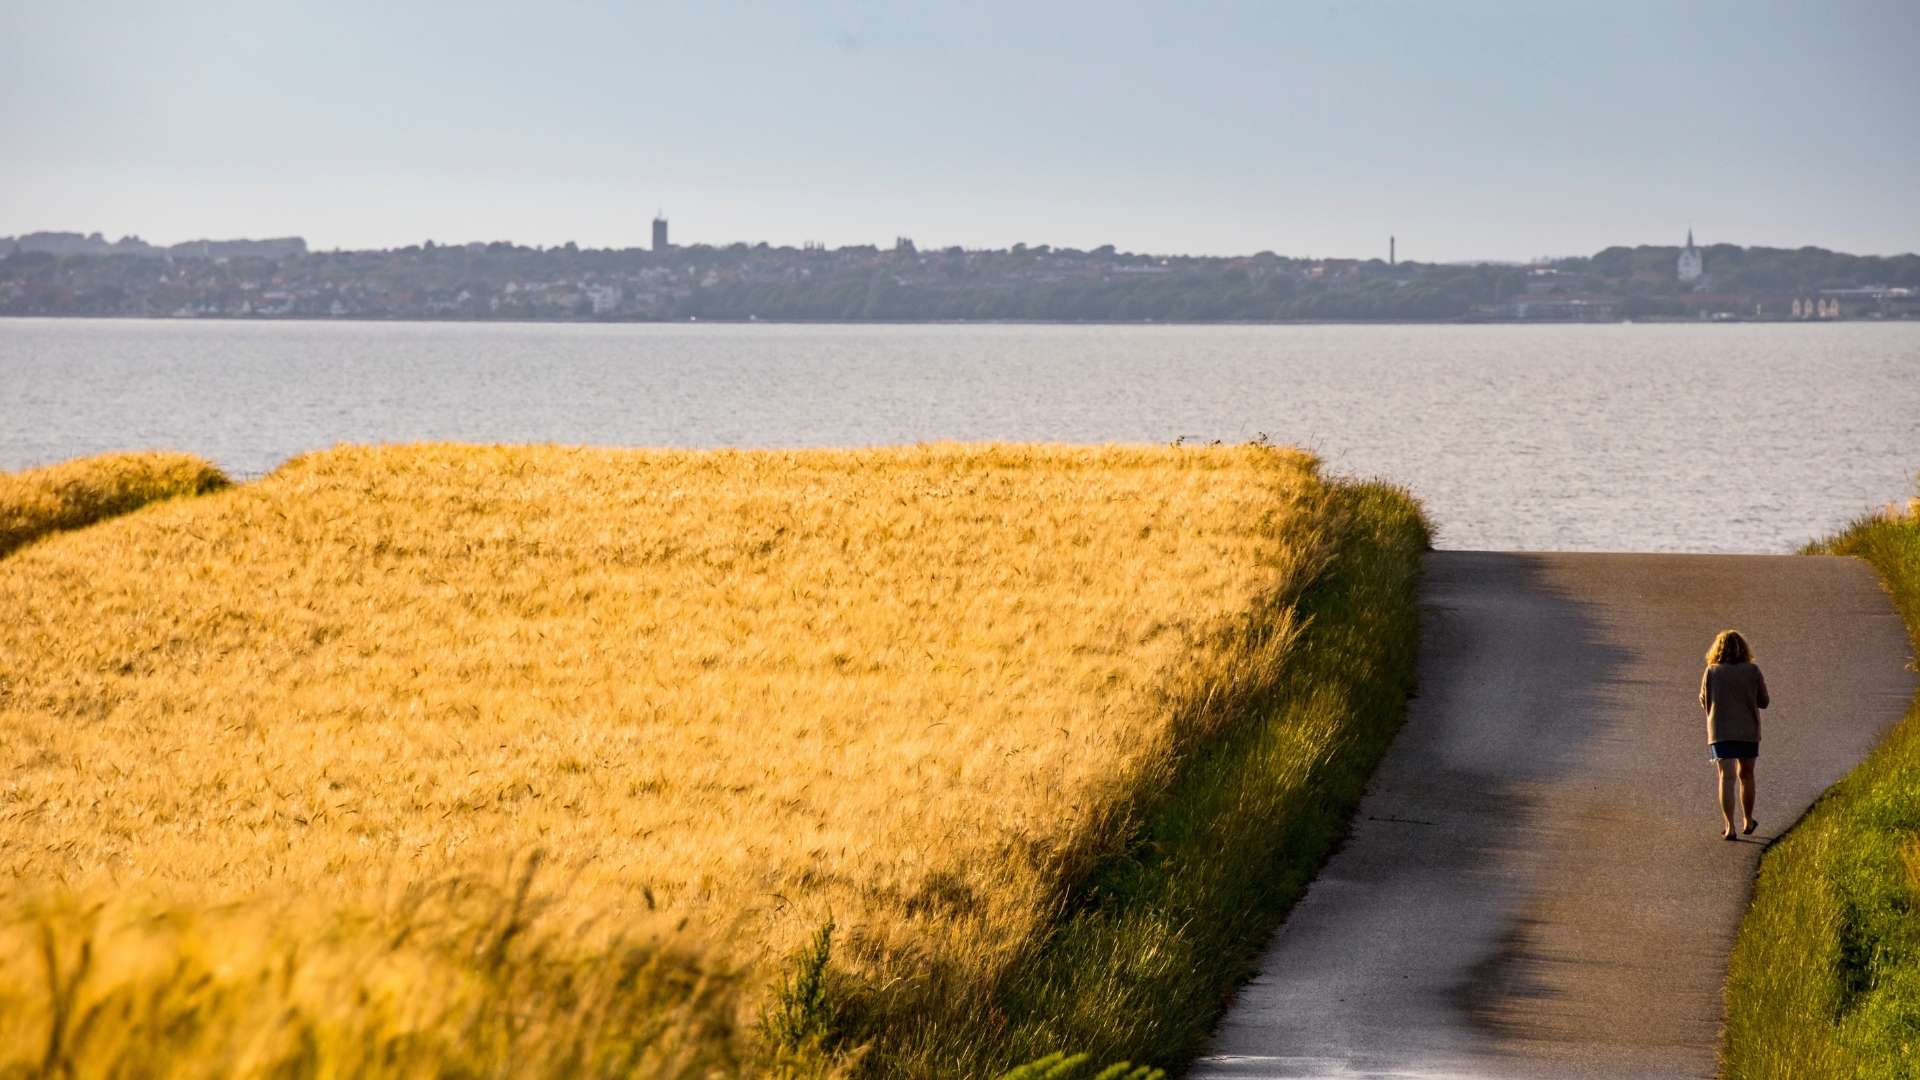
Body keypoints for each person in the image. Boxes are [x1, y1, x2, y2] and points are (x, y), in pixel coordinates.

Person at [1699, 629, 1769, 840]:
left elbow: (1704, 700)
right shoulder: (1753, 671)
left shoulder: (1712, 672)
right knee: (1746, 776)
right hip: (1748, 731)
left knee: (1726, 777)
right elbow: (1764, 701)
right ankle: (1748, 819)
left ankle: (1729, 826)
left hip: (1720, 732)